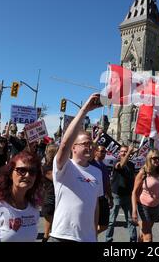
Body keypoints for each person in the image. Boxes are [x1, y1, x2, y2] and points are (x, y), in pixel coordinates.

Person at [49, 93, 103, 242]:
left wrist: (94, 234)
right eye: (85, 143)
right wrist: (84, 110)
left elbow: (95, 205)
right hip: (62, 237)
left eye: (91, 144)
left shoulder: (97, 172)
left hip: (87, 239)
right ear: (73, 147)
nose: (90, 147)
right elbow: (64, 143)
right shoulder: (64, 167)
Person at [0, 151, 42, 242]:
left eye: (32, 171)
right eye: (21, 170)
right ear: (11, 174)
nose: (27, 175)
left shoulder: (33, 208)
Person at [106, 145, 137, 242]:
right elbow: (121, 166)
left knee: (130, 221)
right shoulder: (116, 162)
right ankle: (108, 240)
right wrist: (129, 152)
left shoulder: (131, 164)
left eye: (126, 151)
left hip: (128, 196)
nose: (123, 153)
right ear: (119, 153)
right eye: (122, 151)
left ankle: (133, 239)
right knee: (111, 221)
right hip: (117, 196)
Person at [132, 149, 159, 242]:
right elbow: (134, 192)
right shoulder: (143, 172)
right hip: (143, 207)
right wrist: (134, 211)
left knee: (144, 233)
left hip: (155, 207)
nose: (157, 160)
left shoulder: (158, 172)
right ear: (149, 159)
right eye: (154, 158)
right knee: (148, 237)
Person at [90, 145, 113, 234]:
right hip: (92, 198)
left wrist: (110, 197)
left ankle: (90, 236)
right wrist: (98, 135)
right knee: (92, 223)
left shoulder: (104, 166)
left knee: (104, 225)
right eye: (101, 151)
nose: (104, 153)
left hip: (102, 198)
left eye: (105, 152)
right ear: (95, 152)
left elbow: (107, 183)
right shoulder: (91, 163)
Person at [40, 143, 57, 242]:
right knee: (47, 231)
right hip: (50, 197)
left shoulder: (58, 166)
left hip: (57, 197)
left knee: (54, 228)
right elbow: (56, 179)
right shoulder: (46, 167)